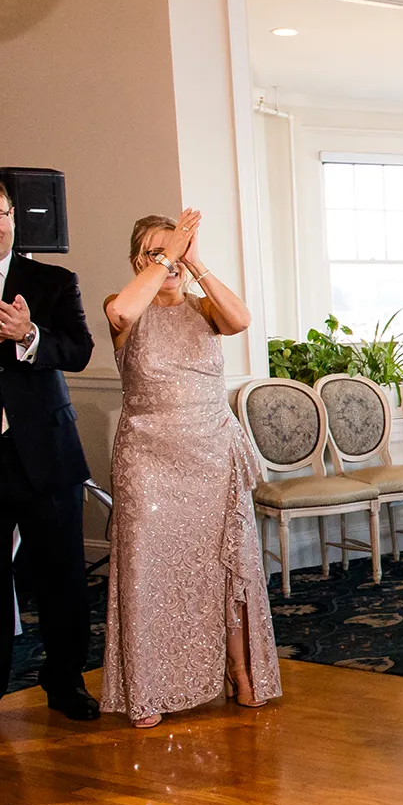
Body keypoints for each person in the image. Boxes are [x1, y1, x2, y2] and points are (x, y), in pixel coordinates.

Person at [100, 211, 281, 728]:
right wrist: (163, 258)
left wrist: (194, 260)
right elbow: (122, 313)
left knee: (227, 565)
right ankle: (147, 688)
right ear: (141, 259)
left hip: (211, 453)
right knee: (147, 571)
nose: (173, 259)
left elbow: (241, 320)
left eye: (179, 248)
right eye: (161, 251)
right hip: (148, 459)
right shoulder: (124, 305)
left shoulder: (204, 310)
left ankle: (242, 675)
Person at [0, 172, 100, 738]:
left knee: (62, 579)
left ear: (12, 216)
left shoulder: (53, 280)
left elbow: (78, 351)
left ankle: (66, 683)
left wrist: (30, 336)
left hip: (47, 455)